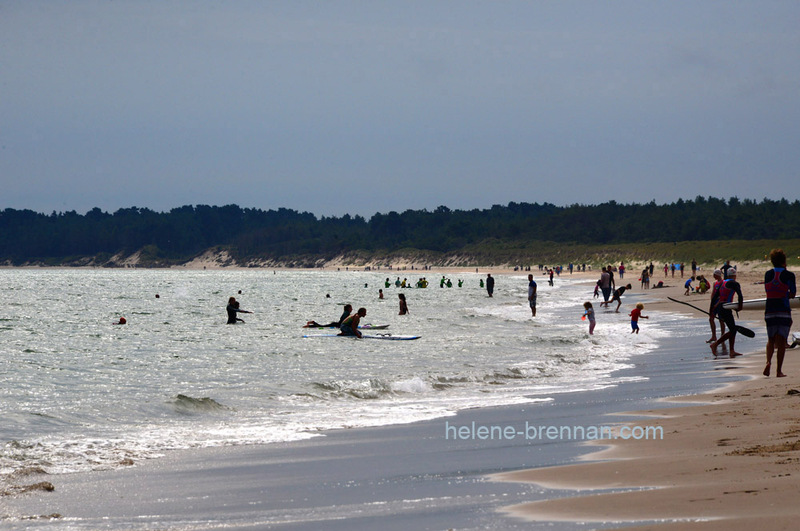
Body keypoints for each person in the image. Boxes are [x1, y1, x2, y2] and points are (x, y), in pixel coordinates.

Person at [763, 249, 796, 377]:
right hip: (783, 309)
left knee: (771, 339)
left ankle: (768, 362)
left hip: (769, 309)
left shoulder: (767, 274)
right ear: (784, 261)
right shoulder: (789, 275)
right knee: (782, 341)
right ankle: (778, 371)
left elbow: (768, 289)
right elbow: (792, 293)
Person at [710, 269, 744, 357]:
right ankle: (715, 344)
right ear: (734, 276)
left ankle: (732, 351)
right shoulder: (734, 283)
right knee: (733, 330)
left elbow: (714, 298)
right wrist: (740, 307)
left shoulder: (722, 283)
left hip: (721, 307)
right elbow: (740, 295)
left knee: (732, 329)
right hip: (726, 307)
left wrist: (711, 311)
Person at [707, 270, 725, 345]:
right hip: (714, 303)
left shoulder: (723, 283)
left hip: (720, 303)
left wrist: (717, 303)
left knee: (721, 320)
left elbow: (722, 295)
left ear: (717, 275)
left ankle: (722, 335)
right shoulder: (715, 283)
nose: (713, 276)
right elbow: (713, 293)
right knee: (711, 319)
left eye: (714, 275)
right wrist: (712, 303)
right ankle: (714, 336)